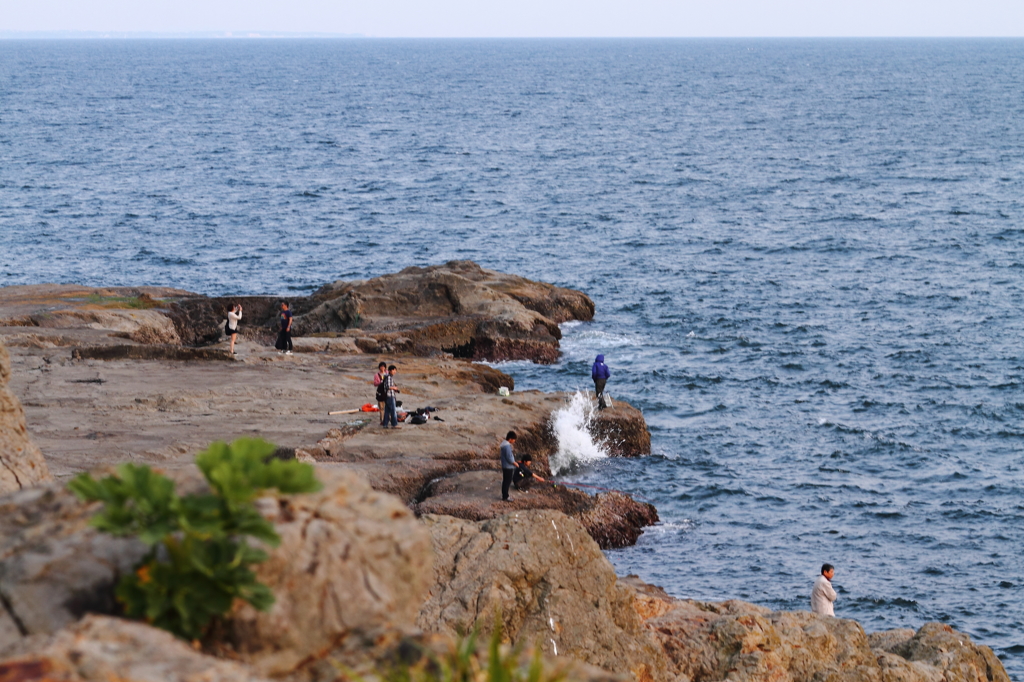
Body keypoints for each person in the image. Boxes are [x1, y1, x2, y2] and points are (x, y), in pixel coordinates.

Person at [499, 431, 517, 501]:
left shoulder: (504, 445)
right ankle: (505, 496)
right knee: (507, 481)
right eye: (514, 439)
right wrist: (515, 463)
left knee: (505, 481)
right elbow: (509, 458)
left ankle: (505, 495)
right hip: (508, 467)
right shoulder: (507, 447)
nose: (514, 441)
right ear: (510, 439)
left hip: (505, 466)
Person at [381, 364, 401, 429]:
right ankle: (394, 424)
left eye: (395, 370)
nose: (395, 371)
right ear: (390, 370)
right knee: (393, 410)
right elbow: (387, 387)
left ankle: (385, 424)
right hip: (390, 396)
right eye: (394, 370)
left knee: (387, 411)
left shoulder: (386, 376)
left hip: (388, 396)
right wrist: (394, 388)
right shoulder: (389, 377)